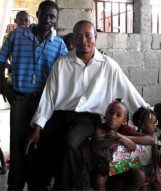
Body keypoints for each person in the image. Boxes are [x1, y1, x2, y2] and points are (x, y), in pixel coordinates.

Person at [25, 20, 149, 190]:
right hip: (61, 114)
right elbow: (48, 98)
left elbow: (128, 91)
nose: (83, 40)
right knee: (37, 146)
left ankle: (63, 187)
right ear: (73, 40)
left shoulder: (108, 66)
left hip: (88, 117)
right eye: (78, 36)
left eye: (88, 35)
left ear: (95, 37)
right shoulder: (61, 64)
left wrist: (147, 113)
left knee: (70, 142)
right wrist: (37, 128)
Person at [0, 1, 67, 190]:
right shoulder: (17, 35)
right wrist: (2, 84)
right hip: (20, 100)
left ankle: (37, 185)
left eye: (52, 16)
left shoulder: (59, 44)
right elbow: (1, 58)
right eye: (44, 14)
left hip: (43, 103)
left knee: (39, 147)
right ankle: (16, 185)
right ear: (37, 14)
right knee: (18, 145)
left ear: (56, 19)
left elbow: (67, 67)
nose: (47, 19)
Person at [91, 99, 155, 191]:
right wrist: (117, 139)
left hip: (121, 166)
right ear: (105, 115)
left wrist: (123, 137)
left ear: (124, 121)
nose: (113, 117)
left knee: (140, 175)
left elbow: (150, 140)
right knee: (98, 179)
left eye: (118, 115)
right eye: (110, 113)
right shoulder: (100, 128)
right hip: (104, 167)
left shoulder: (123, 128)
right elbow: (94, 146)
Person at [132, 106, 161, 190]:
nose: (155, 127)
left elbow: (155, 154)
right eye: (153, 124)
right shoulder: (134, 138)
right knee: (144, 188)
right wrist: (143, 175)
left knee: (157, 185)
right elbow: (133, 159)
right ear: (141, 124)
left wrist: (156, 173)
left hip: (151, 167)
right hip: (139, 169)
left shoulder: (153, 135)